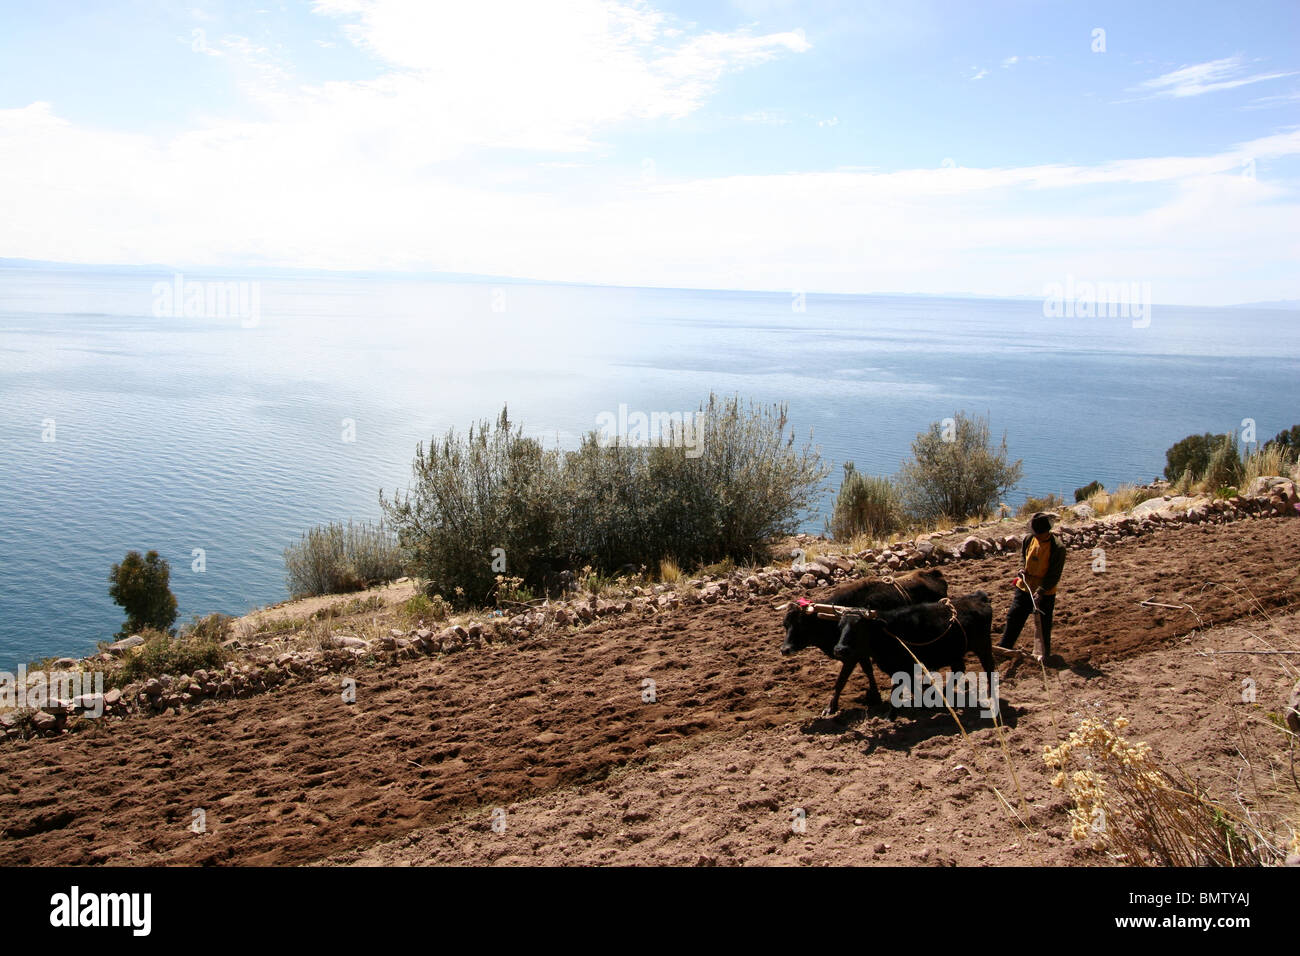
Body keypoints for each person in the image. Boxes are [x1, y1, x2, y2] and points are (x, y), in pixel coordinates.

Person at [999, 511, 1066, 660]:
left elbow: (1054, 574)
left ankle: (1044, 654)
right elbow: (1024, 557)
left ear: (1046, 532)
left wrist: (1041, 591)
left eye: (1038, 533)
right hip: (1025, 586)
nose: (1035, 535)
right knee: (1014, 616)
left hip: (1045, 592)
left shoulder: (1058, 548)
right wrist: (1022, 568)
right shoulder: (1029, 539)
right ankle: (1004, 647)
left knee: (1043, 624)